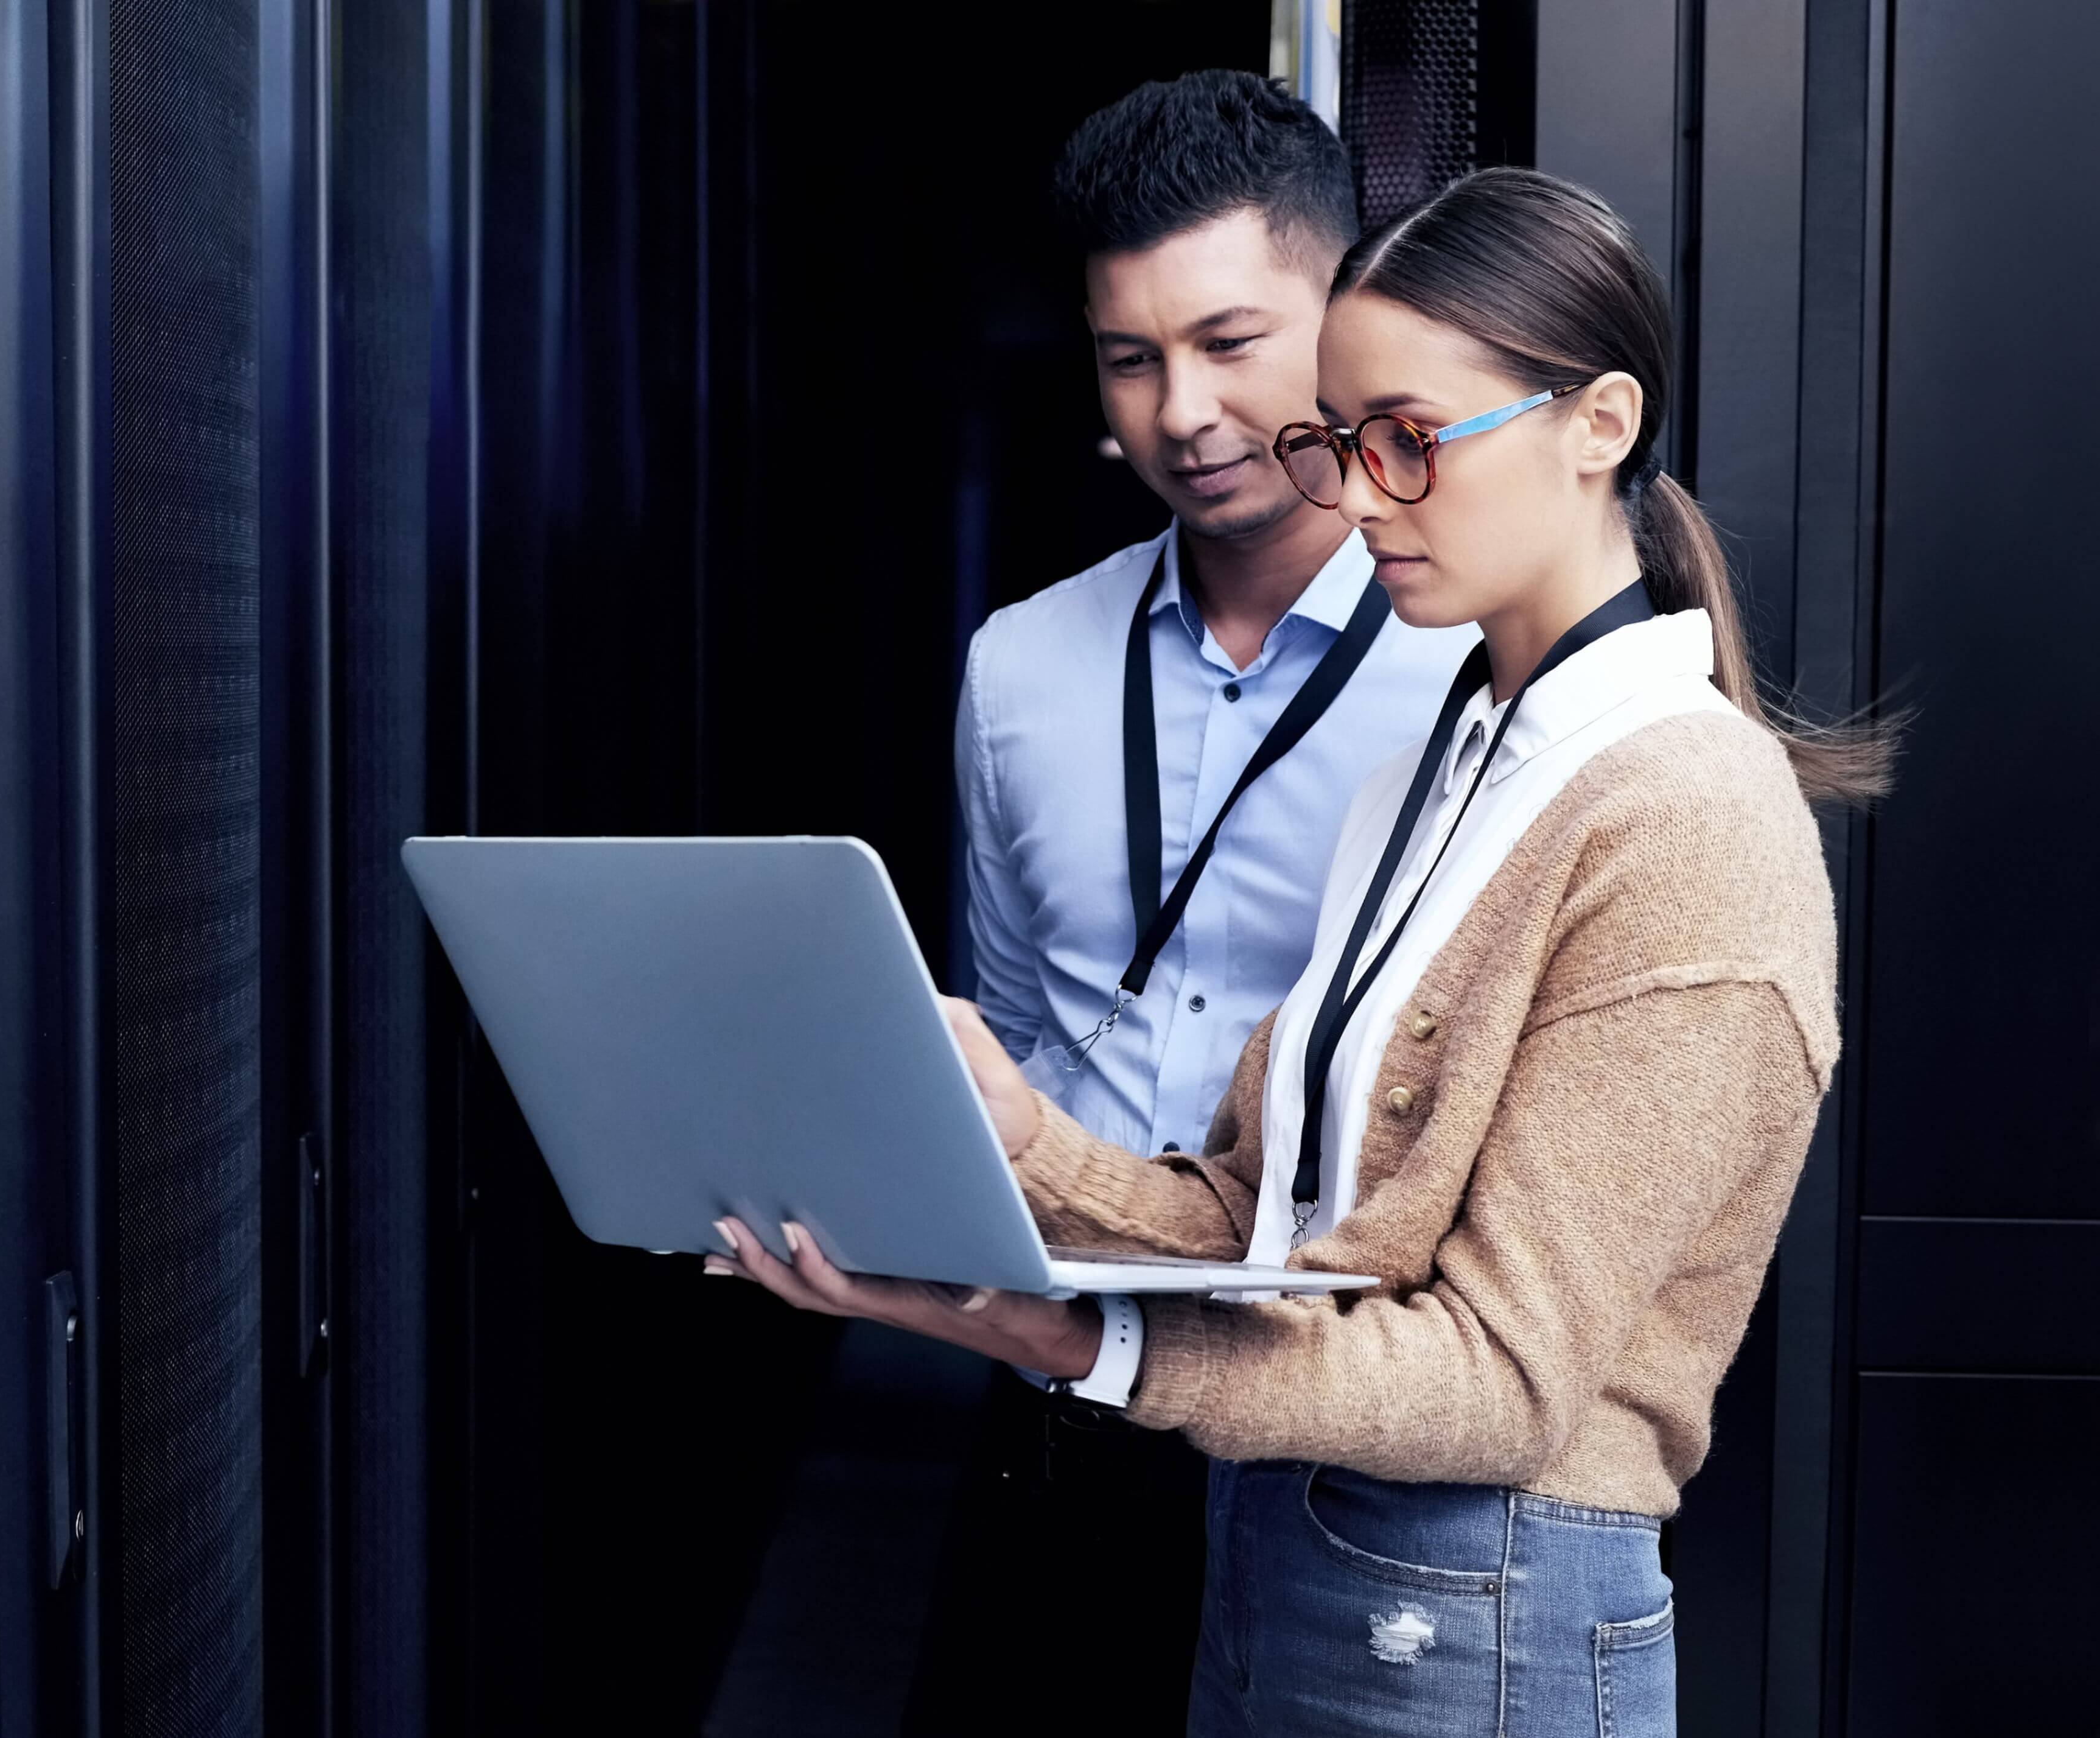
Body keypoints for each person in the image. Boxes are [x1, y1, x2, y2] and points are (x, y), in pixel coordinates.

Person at [706, 167, 1891, 1737]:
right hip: (1295, 1559)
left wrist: (1079, 1336)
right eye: (1342, 442)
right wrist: (1018, 1141)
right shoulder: (1458, 754)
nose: (1361, 493)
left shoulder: (1690, 815)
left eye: (1410, 441)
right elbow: (1271, 1222)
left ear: (1598, 423)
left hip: (1488, 1611)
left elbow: (1500, 1380)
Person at [909, 71, 1475, 1731]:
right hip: (1060, 1398)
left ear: (1349, 319)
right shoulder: (1018, 668)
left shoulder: (1471, 669)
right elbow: (1009, 1032)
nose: (1185, 414)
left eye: (1232, 344)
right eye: (1132, 357)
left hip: (1345, 1420)